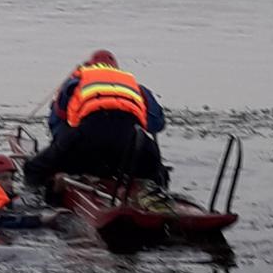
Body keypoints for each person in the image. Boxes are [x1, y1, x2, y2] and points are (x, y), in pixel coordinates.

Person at [25, 50, 168, 191]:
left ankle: (40, 194)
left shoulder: (77, 80)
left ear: (89, 66)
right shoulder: (135, 86)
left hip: (90, 137)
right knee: (158, 171)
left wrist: (58, 150)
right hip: (129, 141)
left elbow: (57, 120)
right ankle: (158, 194)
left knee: (33, 168)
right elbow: (157, 124)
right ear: (116, 68)